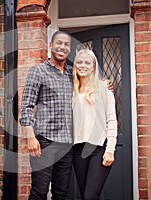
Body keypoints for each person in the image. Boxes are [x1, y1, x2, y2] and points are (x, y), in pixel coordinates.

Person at [20, 31, 113, 200]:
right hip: (44, 141)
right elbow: (26, 105)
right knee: (39, 192)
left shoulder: (73, 74)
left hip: (67, 145)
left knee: (61, 193)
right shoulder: (38, 71)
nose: (62, 47)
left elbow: (89, 81)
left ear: (69, 49)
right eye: (59, 43)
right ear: (50, 45)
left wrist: (104, 84)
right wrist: (30, 137)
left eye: (66, 44)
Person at [72, 49, 117, 200]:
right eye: (79, 62)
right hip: (78, 149)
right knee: (85, 195)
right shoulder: (70, 90)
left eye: (87, 62)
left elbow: (111, 120)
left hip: (99, 148)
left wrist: (110, 150)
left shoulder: (104, 88)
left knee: (91, 196)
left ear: (93, 66)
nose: (83, 65)